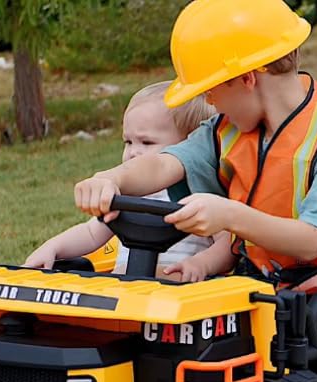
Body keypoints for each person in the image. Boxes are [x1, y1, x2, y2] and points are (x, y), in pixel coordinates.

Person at [72, 0, 317, 293]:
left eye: (209, 90)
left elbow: (313, 240)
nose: (209, 102)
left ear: (247, 78)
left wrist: (231, 216)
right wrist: (112, 178)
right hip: (258, 286)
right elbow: (164, 164)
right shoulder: (226, 130)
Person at [24, 82, 232, 281]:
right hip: (126, 299)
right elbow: (90, 233)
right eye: (128, 142)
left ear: (190, 146)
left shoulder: (201, 194)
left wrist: (201, 264)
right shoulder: (126, 195)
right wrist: (53, 247)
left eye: (146, 142)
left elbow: (228, 243)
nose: (133, 152)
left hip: (182, 300)